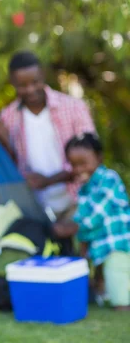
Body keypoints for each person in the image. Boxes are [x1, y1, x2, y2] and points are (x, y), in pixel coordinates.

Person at [0, 51, 96, 220]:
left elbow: (92, 159)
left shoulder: (74, 107)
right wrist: (2, 140)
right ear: (13, 83)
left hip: (77, 200)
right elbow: (8, 167)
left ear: (43, 75)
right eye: (22, 85)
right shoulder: (7, 117)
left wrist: (49, 181)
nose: (30, 89)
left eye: (35, 82)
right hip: (38, 208)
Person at [54, 133, 130, 311]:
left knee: (120, 298)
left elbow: (94, 215)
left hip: (119, 246)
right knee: (106, 284)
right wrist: (82, 254)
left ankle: (122, 306)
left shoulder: (108, 179)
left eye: (83, 163)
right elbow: (84, 229)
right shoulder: (84, 190)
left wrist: (69, 227)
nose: (79, 169)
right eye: (73, 164)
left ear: (99, 158)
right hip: (102, 248)